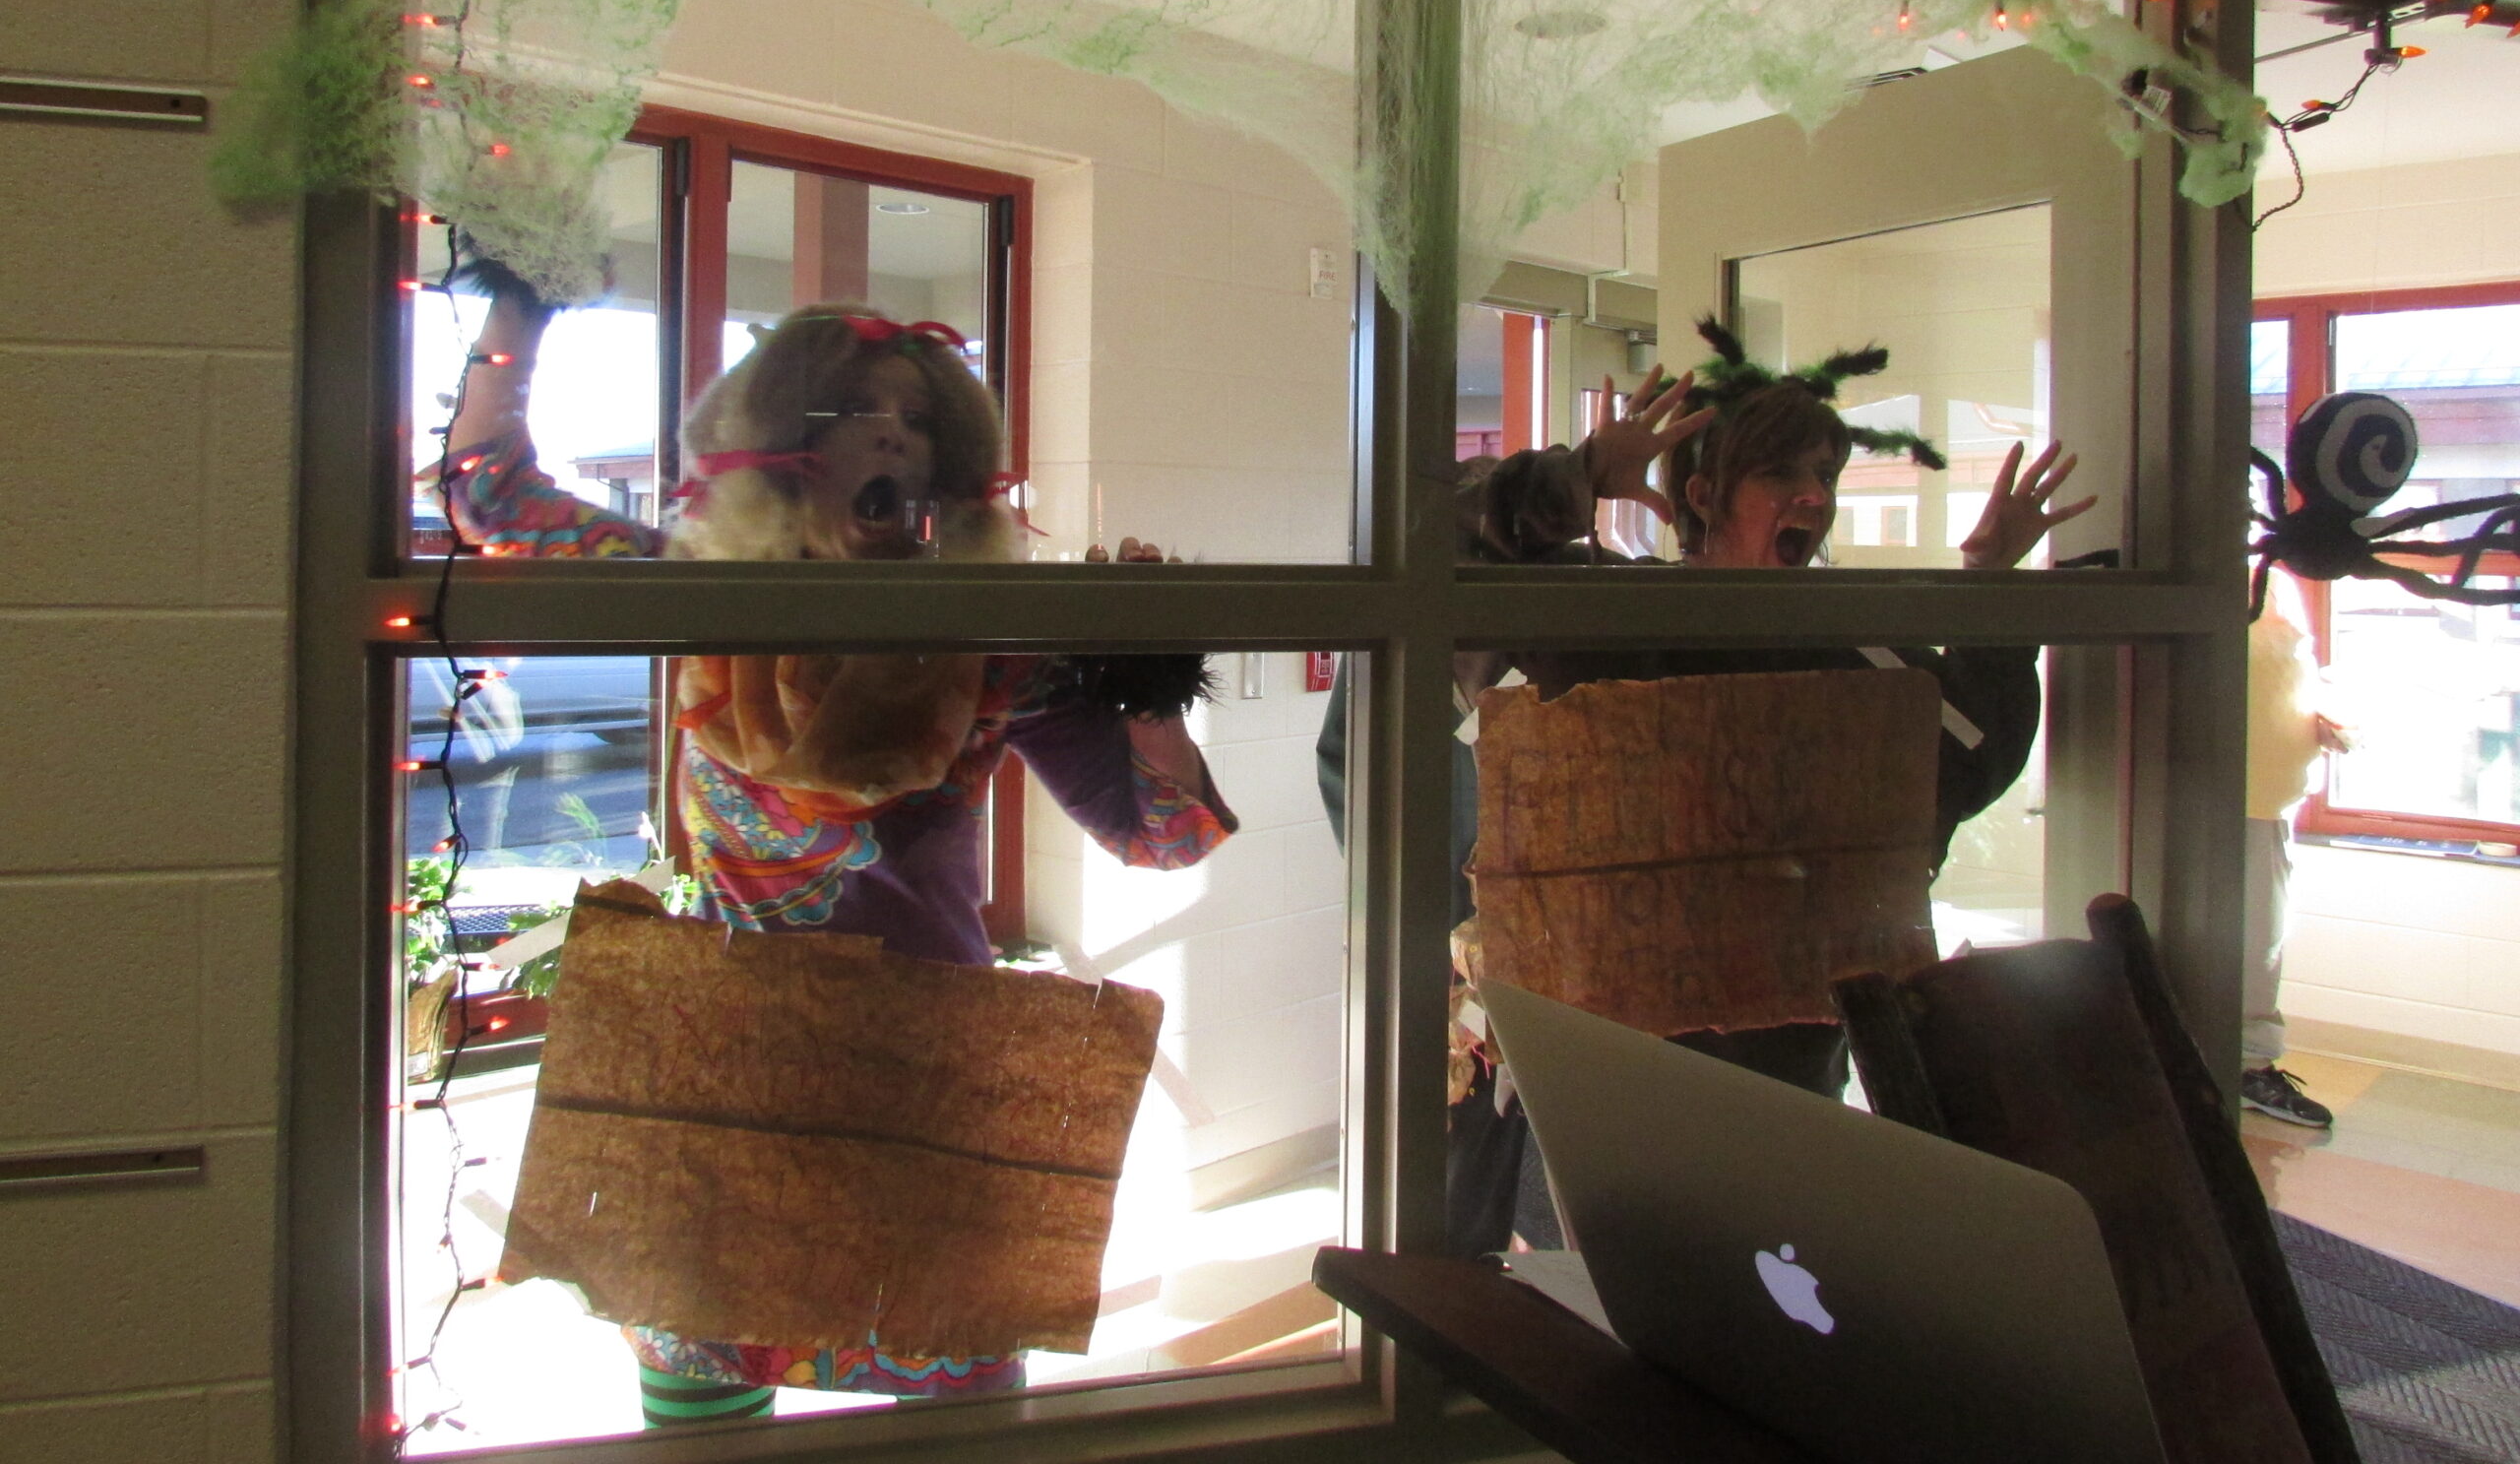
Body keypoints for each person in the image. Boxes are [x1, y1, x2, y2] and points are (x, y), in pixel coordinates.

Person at [436, 260, 1237, 1421]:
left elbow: (1167, 839)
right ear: (782, 442)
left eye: (916, 416)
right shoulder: (699, 595)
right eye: (854, 411)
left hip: (926, 1089)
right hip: (725, 1087)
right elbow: (492, 497)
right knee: (704, 1425)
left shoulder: (990, 639)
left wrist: (1149, 679)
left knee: (962, 1427)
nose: (892, 437)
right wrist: (522, 302)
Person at [1320, 318, 2085, 1253]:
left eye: (1827, 475)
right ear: (1701, 495)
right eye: (1781, 474)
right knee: (1596, 1288)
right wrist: (1575, 479)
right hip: (1596, 1080)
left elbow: (1964, 753)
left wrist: (1989, 583)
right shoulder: (1593, 623)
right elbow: (1421, 567)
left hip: (1786, 1072)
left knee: (1776, 1288)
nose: (1814, 496)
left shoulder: (1852, 653)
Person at [2239, 576, 2345, 1129]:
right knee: (2255, 944)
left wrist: (2323, 718)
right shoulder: (2209, 577)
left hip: (2269, 805)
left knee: (2263, 942)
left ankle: (2246, 1066)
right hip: (2224, 802)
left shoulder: (2272, 579)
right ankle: (2245, 1068)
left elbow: (2284, 672)